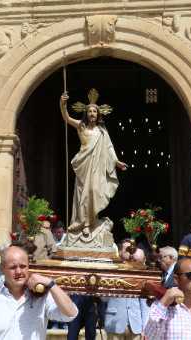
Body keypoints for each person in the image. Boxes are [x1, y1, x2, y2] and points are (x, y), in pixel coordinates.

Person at [60, 90, 127, 247]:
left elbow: (109, 148)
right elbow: (67, 118)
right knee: (82, 195)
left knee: (94, 193)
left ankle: (89, 223)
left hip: (97, 168)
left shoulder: (102, 131)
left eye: (94, 111)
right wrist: (62, 104)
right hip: (84, 166)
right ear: (86, 113)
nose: (92, 113)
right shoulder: (81, 126)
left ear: (98, 114)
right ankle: (82, 223)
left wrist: (116, 162)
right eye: (89, 111)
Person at [0, 246, 78, 340]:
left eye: (23, 266)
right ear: (2, 269)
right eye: (13, 267)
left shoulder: (41, 298)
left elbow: (71, 314)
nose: (19, 271)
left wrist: (50, 284)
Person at [103, 241, 149, 340]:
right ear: (119, 252)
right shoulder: (111, 271)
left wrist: (145, 327)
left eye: (132, 249)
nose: (130, 252)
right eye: (127, 249)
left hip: (136, 325)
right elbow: (104, 298)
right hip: (114, 323)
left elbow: (144, 303)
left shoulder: (139, 273)